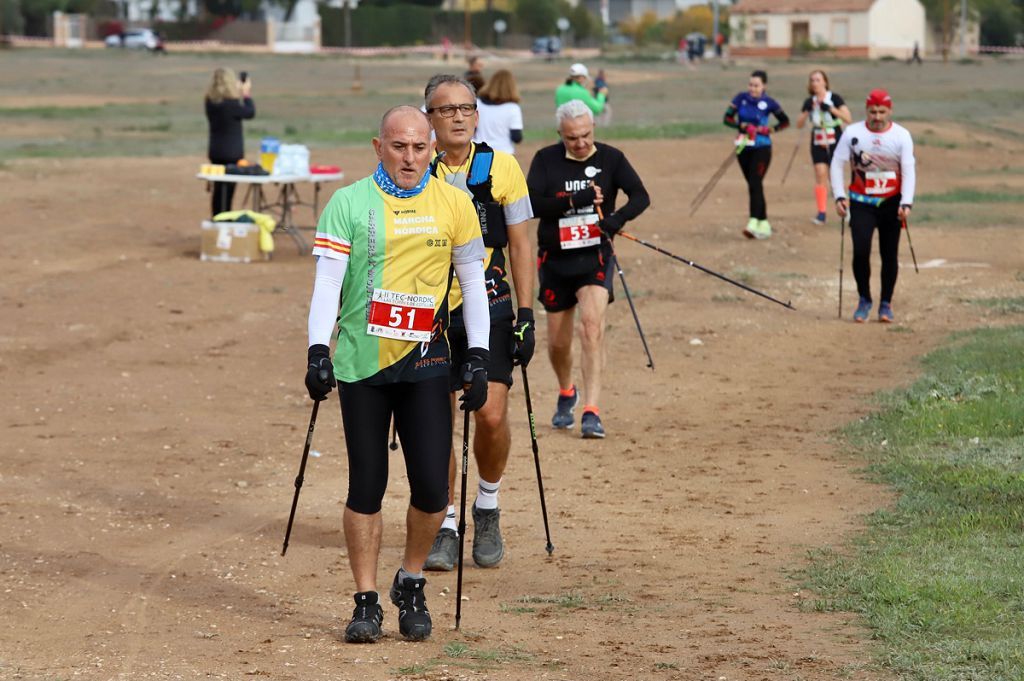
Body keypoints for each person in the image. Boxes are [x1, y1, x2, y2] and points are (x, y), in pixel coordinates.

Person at [304, 105, 491, 643]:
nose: (409, 157)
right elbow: (326, 282)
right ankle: (365, 600)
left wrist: (476, 355)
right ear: (378, 147)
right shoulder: (348, 202)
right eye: (398, 146)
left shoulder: (455, 203)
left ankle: (409, 581)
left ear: (431, 148)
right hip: (362, 362)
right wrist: (319, 349)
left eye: (419, 147)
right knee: (367, 484)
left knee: (433, 489)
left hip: (428, 361)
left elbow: (473, 285)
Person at [420, 74, 535, 572]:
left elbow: (523, 244)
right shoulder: (413, 169)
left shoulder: (503, 168)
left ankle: (486, 506)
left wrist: (527, 314)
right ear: (430, 118)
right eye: (448, 110)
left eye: (467, 108)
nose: (460, 117)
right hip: (431, 312)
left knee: (489, 415)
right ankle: (446, 521)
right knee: (440, 424)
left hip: (489, 302)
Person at [527, 100, 650, 439]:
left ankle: (592, 410)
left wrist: (615, 220)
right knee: (557, 343)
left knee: (592, 328)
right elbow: (532, 203)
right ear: (560, 135)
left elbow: (640, 195)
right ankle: (567, 390)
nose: (580, 143)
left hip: (594, 256)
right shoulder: (545, 160)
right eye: (571, 138)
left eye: (585, 135)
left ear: (593, 128)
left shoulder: (611, 158)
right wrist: (573, 201)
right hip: (555, 259)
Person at [830, 88, 916, 323]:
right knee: (860, 251)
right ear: (866, 110)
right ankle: (864, 298)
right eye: (872, 112)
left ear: (890, 111)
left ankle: (886, 302)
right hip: (861, 202)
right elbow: (836, 164)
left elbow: (908, 170)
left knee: (889, 254)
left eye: (881, 112)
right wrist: (838, 196)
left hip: (891, 203)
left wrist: (906, 202)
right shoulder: (852, 133)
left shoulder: (901, 135)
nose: (877, 117)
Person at [722, 69, 789, 239]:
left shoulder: (769, 103)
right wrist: (742, 126)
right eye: (751, 85)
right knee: (753, 185)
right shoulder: (740, 99)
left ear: (764, 86)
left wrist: (769, 130)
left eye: (756, 85)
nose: (753, 88)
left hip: (762, 148)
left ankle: (753, 222)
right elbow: (727, 119)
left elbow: (785, 122)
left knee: (755, 181)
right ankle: (764, 223)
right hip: (743, 147)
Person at [795, 69, 852, 225]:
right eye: (812, 80)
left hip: (835, 139)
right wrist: (807, 111)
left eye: (818, 80)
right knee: (820, 173)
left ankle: (844, 207)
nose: (815, 83)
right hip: (818, 139)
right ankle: (821, 212)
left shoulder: (835, 98)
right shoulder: (809, 101)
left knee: (835, 175)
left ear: (825, 82)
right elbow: (799, 124)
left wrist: (831, 109)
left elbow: (848, 118)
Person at [204, 67, 254, 217]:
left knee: (218, 188)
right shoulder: (232, 104)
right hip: (232, 153)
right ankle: (225, 218)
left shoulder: (210, 102)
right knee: (229, 189)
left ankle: (217, 218)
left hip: (215, 151)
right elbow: (249, 112)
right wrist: (245, 93)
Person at [474, 69, 524, 155]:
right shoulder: (513, 108)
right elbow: (517, 138)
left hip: (479, 152)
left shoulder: (477, 104)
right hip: (504, 154)